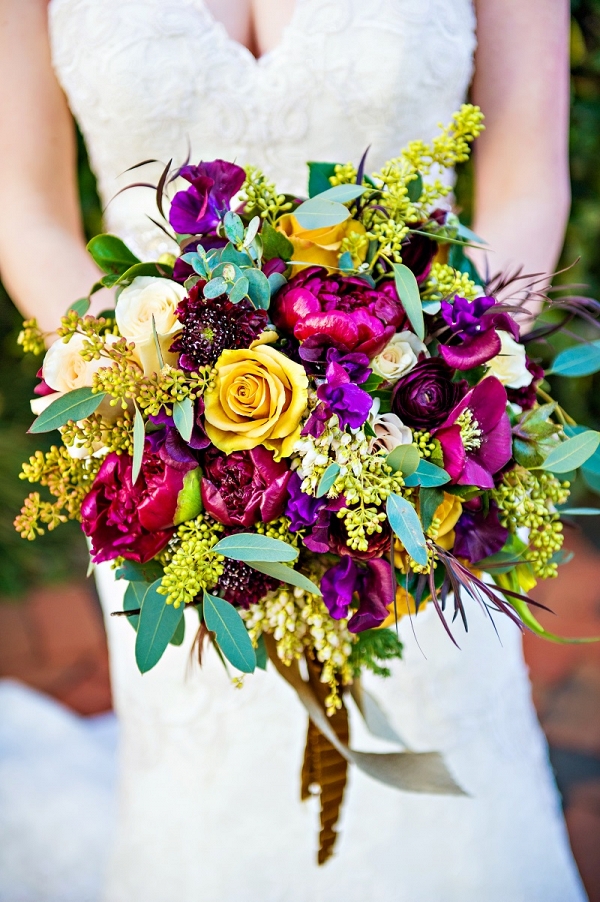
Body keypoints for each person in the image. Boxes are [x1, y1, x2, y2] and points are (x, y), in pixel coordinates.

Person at [0, 1, 587, 900]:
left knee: (451, 797)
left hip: (415, 448)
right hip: (170, 465)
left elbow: (524, 180)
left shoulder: (421, 433)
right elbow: (25, 214)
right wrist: (143, 398)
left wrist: (436, 394)